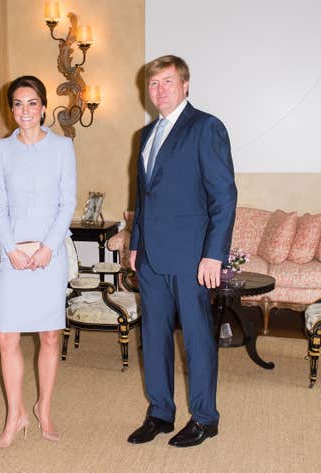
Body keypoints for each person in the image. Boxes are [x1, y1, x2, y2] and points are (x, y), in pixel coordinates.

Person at [127, 55, 237, 448]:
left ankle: (206, 418)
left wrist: (214, 254)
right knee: (153, 337)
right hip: (152, 258)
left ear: (185, 85)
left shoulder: (206, 127)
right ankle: (160, 413)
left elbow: (224, 197)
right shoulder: (145, 135)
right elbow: (143, 197)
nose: (160, 90)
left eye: (168, 82)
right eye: (154, 83)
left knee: (196, 340)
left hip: (192, 257)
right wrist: (135, 244)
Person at [0, 75, 76, 448]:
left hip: (48, 256)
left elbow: (67, 202)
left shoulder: (62, 148)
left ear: (43, 107)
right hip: (13, 257)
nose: (25, 111)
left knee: (50, 335)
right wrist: (9, 248)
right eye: (18, 104)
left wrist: (48, 248)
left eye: (32, 103)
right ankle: (15, 415)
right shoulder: (0, 150)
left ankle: (45, 408)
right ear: (12, 110)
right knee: (7, 336)